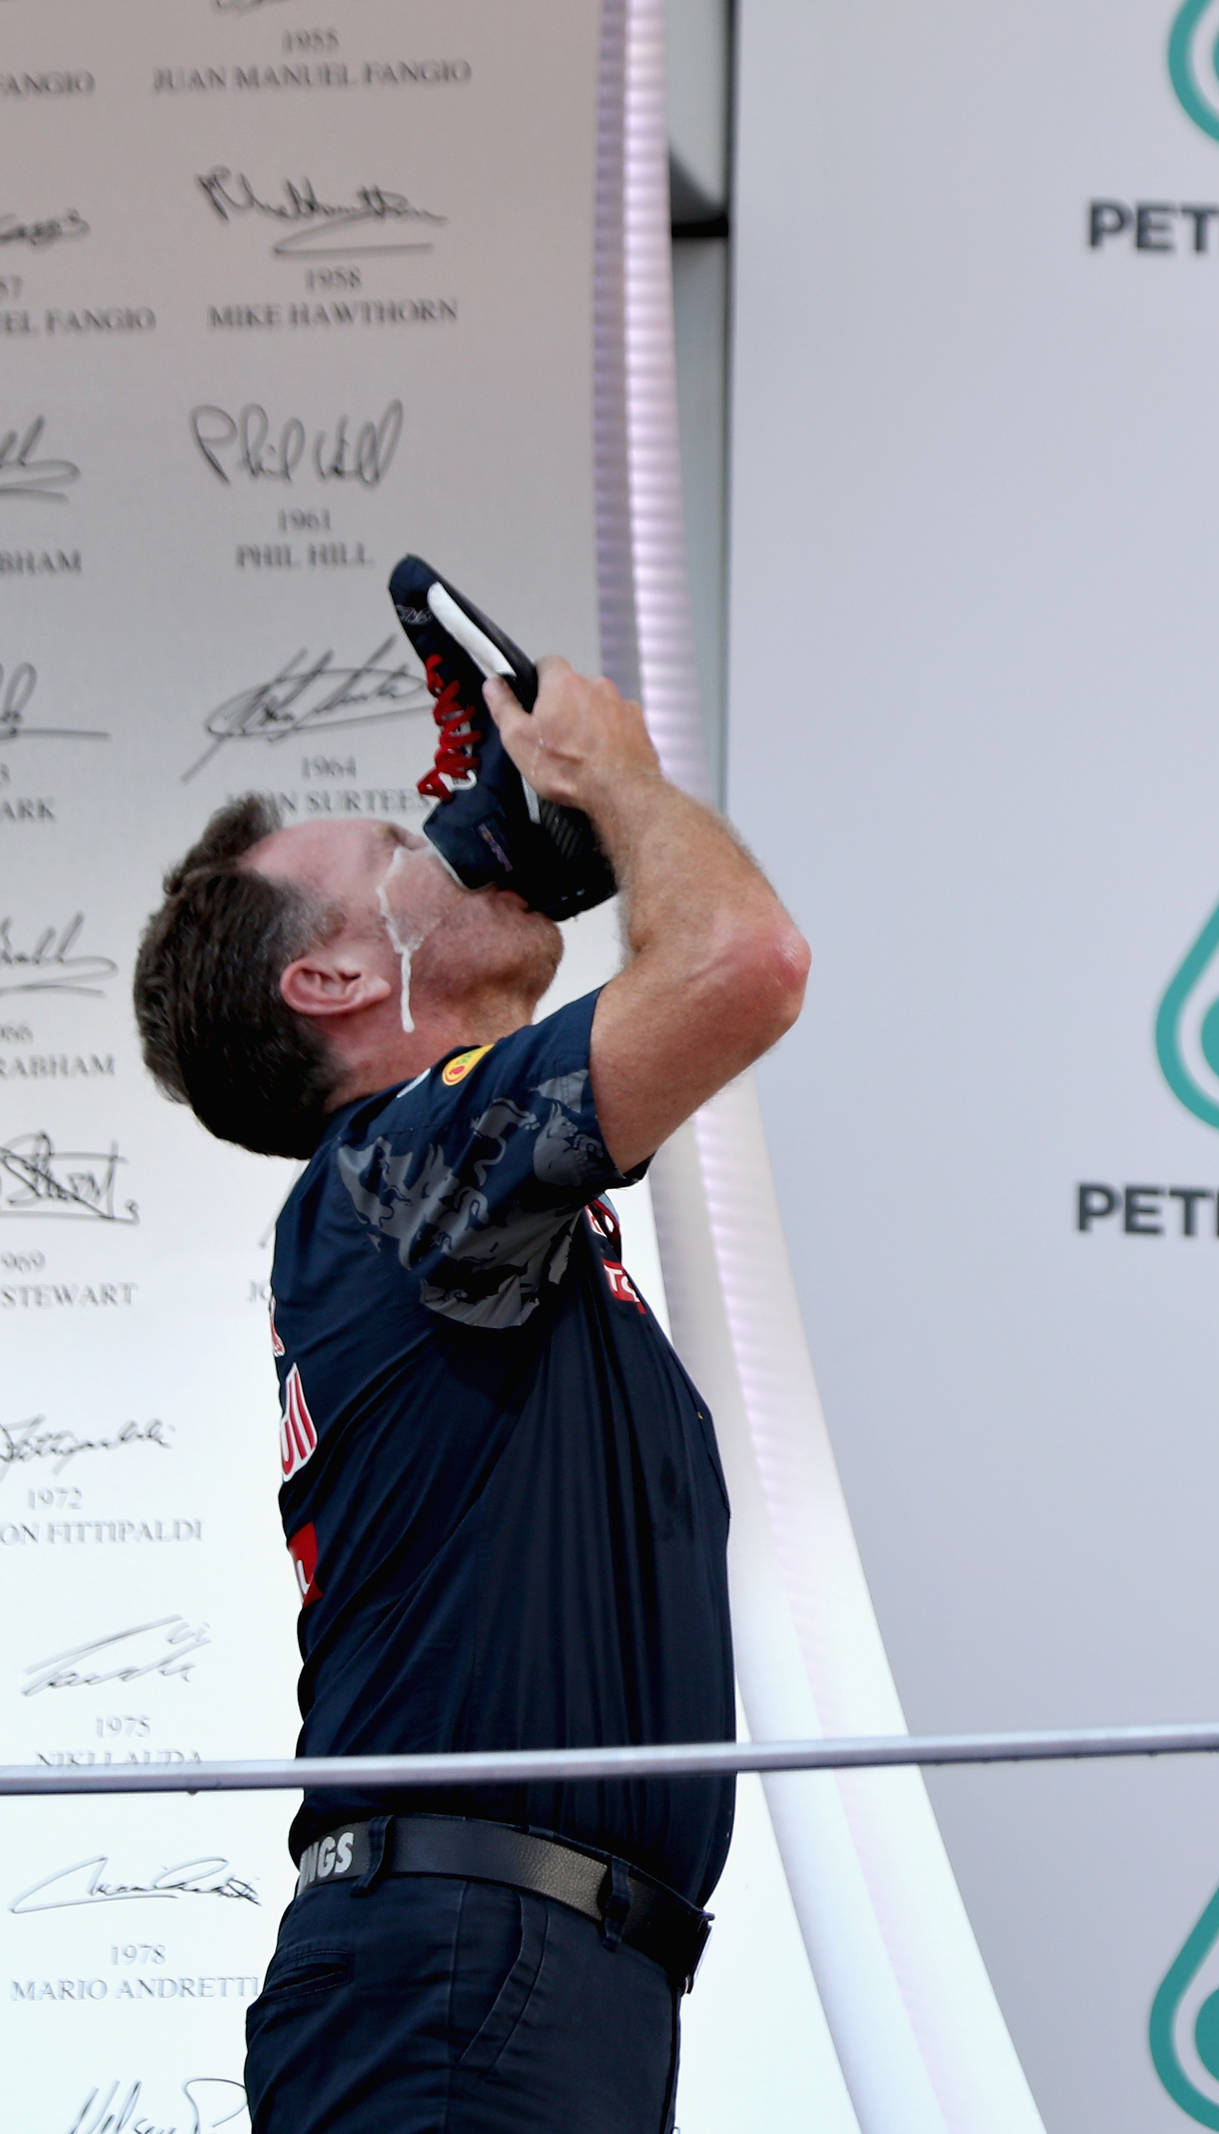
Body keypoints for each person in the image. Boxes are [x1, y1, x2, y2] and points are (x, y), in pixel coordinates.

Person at [132, 657, 807, 2132]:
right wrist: (618, 777)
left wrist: (502, 854)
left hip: (536, 1987)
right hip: (461, 1979)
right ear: (334, 979)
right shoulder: (392, 1180)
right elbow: (745, 960)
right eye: (401, 848)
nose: (454, 842)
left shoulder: (458, 1210)